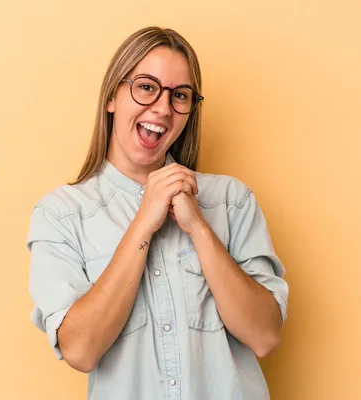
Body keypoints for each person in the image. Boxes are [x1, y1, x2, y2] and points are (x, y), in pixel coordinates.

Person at [26, 26, 289, 400]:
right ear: (112, 97)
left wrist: (198, 227)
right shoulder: (60, 215)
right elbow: (80, 350)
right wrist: (144, 223)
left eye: (179, 95)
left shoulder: (231, 201)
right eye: (147, 87)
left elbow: (264, 336)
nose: (163, 109)